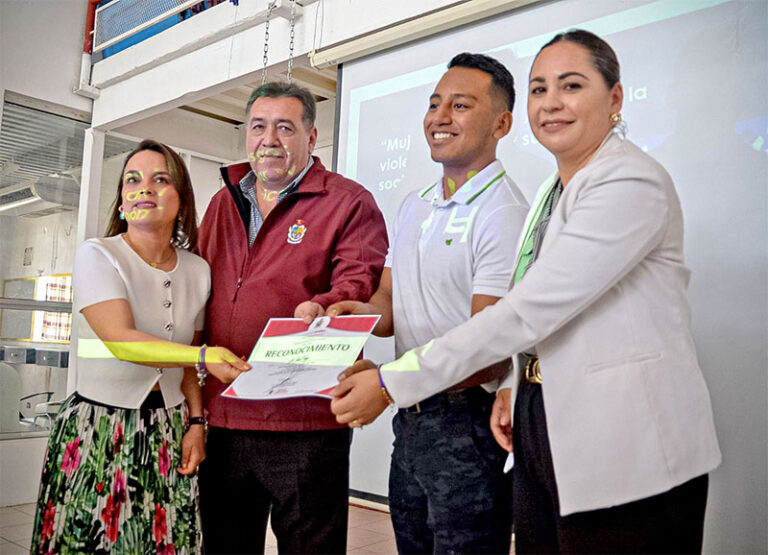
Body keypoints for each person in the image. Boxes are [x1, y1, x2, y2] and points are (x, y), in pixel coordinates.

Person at [331, 30, 722, 554]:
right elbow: (539, 317)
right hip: (542, 422)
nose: (551, 102)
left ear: (615, 98)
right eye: (539, 89)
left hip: (628, 440)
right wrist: (517, 383)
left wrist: (388, 381)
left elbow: (526, 311)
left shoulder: (630, 181)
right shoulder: (551, 191)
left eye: (571, 85)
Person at [327, 52, 528, 553]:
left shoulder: (504, 212)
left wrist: (387, 384)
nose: (440, 117)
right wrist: (354, 319)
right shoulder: (414, 204)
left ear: (502, 123)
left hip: (469, 427)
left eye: (460, 105)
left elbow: (489, 351)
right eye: (435, 103)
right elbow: (390, 301)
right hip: (411, 421)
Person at [31, 139, 250, 554]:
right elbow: (121, 340)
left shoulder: (198, 270)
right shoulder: (98, 254)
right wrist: (204, 356)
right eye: (132, 179)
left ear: (181, 200)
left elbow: (188, 367)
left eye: (160, 179)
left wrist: (197, 423)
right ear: (120, 201)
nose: (143, 187)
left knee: (164, 542)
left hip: (168, 428)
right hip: (98, 429)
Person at [196, 82, 388, 554]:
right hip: (225, 415)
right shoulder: (224, 202)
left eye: (285, 127)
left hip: (305, 422)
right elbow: (198, 287)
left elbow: (357, 282)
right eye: (258, 126)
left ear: (311, 136)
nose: (269, 139)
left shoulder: (348, 201)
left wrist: (327, 306)